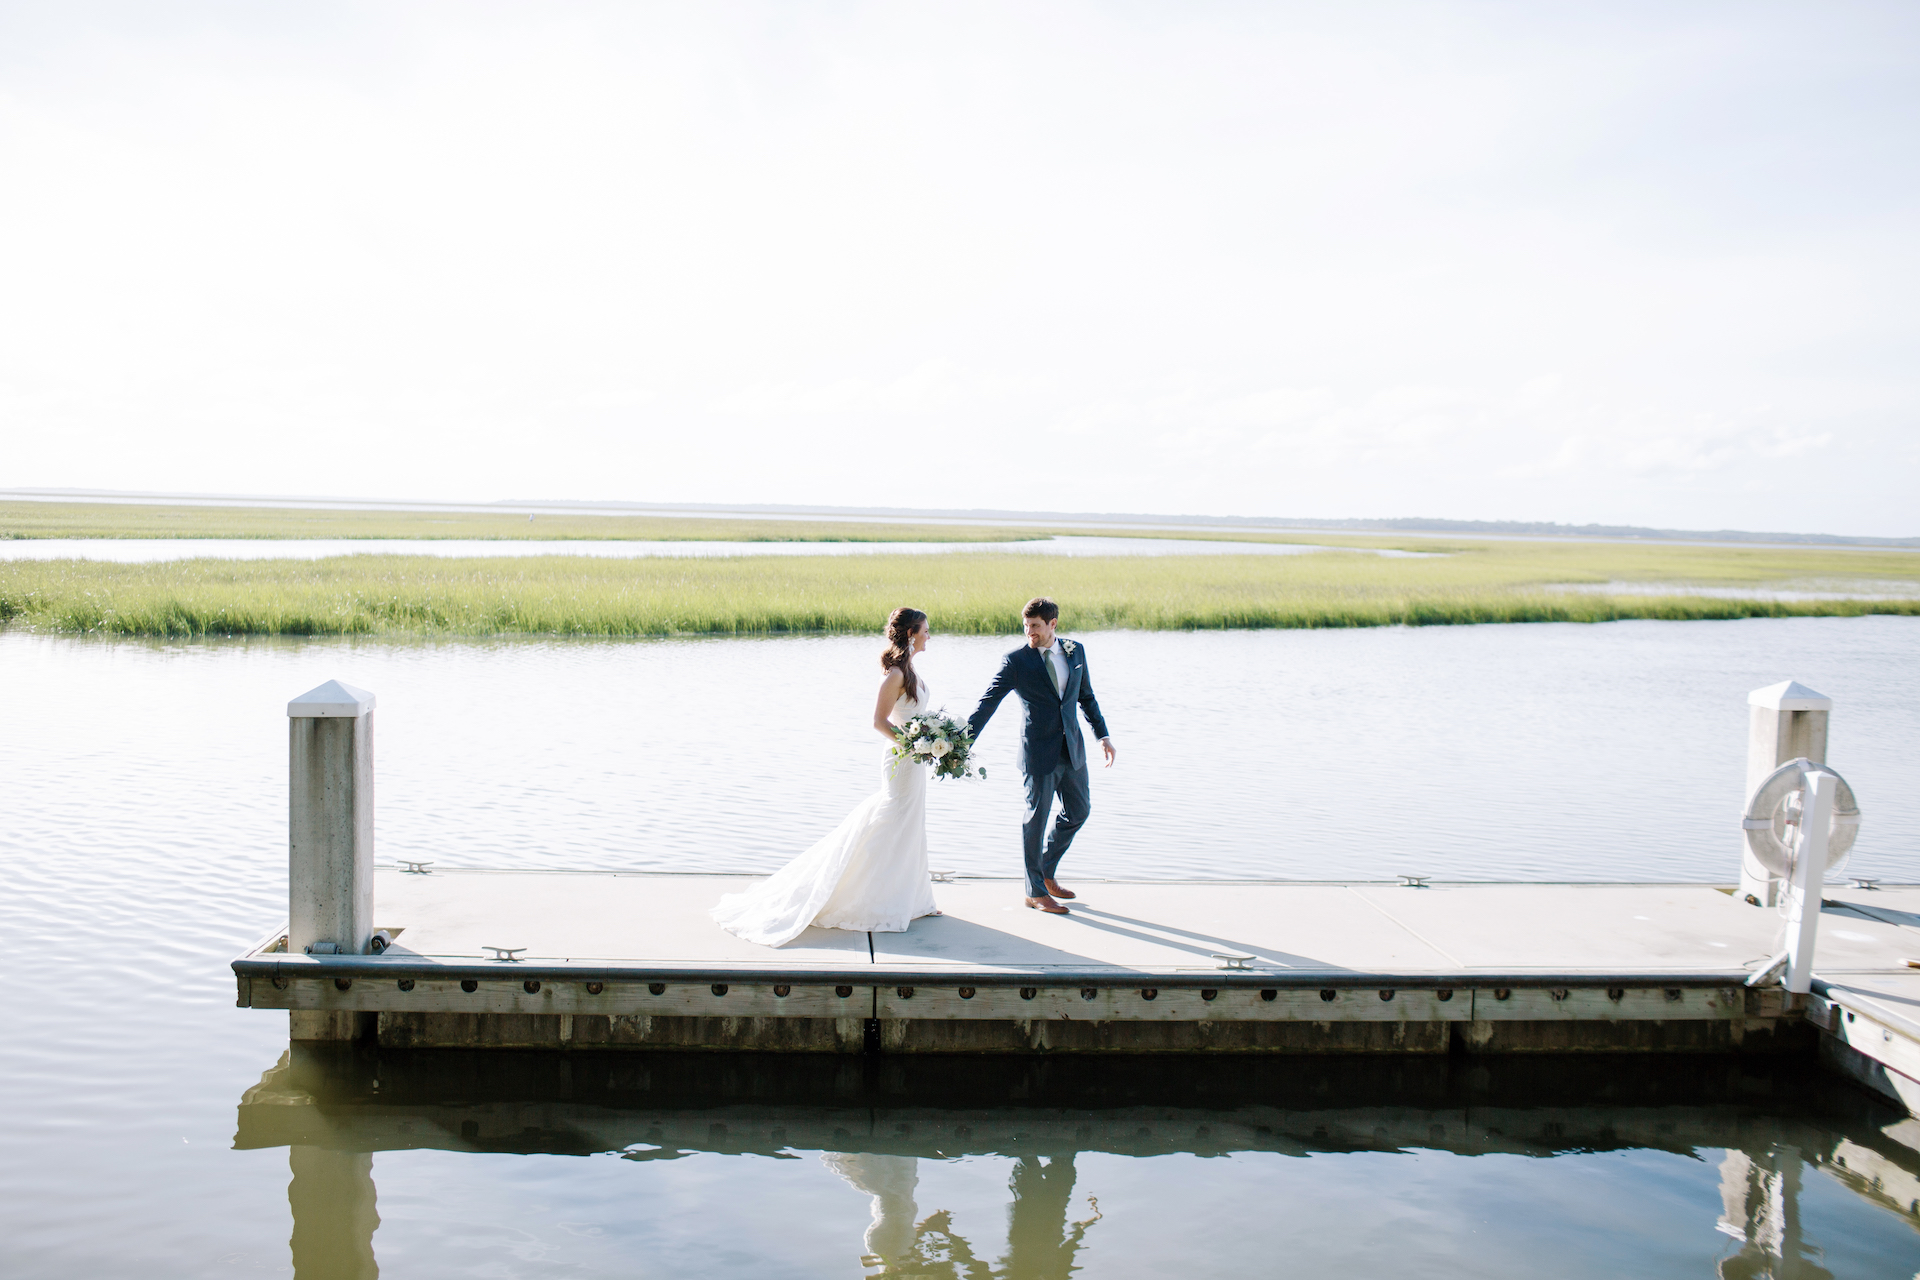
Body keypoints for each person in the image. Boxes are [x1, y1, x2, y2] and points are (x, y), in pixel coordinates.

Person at [711, 607, 941, 946]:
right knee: (893, 821)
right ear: (911, 634)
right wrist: (911, 743)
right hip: (901, 760)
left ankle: (912, 898)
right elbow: (879, 722)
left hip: (914, 761)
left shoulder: (911, 671)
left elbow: (915, 716)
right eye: (925, 630)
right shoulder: (894, 675)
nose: (928, 636)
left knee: (910, 823)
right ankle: (868, 898)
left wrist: (930, 740)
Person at [967, 597, 1115, 915]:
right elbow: (987, 702)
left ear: (1053, 625)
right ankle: (1034, 891)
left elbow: (1086, 696)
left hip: (1072, 749)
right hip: (1038, 752)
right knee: (1036, 817)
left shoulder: (1076, 651)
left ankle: (1046, 871)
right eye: (1025, 626)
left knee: (1079, 811)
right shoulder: (1016, 661)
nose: (1029, 632)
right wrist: (961, 742)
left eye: (1035, 626)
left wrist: (1102, 735)